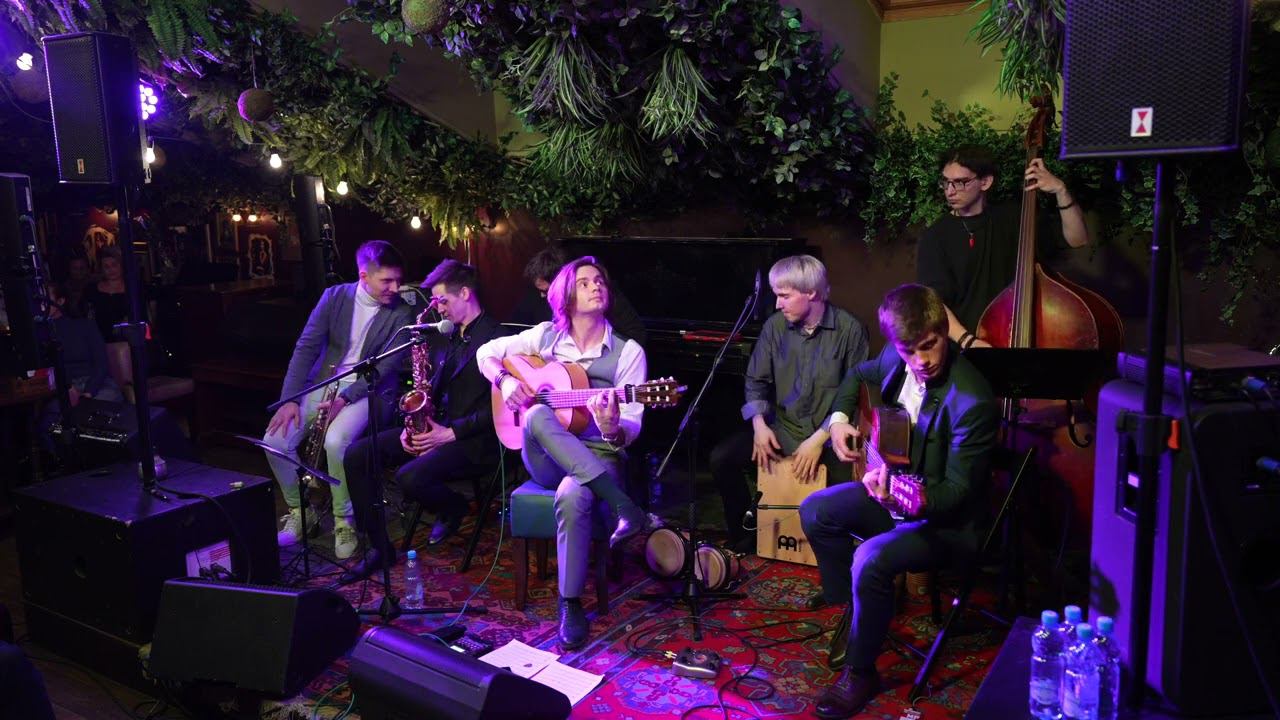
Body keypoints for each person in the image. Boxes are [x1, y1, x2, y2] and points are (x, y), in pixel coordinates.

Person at [798, 284, 997, 719]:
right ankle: (854, 611)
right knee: (815, 510)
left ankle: (860, 670)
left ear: (944, 331)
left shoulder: (973, 400)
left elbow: (957, 494)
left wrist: (902, 500)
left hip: (944, 523)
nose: (921, 360)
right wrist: (838, 422)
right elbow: (857, 375)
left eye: (930, 345)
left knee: (868, 559)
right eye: (910, 351)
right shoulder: (894, 357)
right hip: (895, 491)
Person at [476, 256, 648, 650]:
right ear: (564, 296)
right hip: (544, 457)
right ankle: (623, 505)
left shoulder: (629, 353)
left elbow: (632, 428)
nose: (596, 285)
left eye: (599, 280)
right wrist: (505, 382)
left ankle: (569, 603)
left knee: (573, 493)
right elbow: (485, 352)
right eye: (584, 282)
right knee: (537, 412)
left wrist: (611, 426)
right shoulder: (544, 337)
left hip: (599, 453)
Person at [339, 260, 508, 583]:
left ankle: (455, 506)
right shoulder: (444, 336)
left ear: (465, 293)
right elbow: (426, 389)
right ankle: (379, 547)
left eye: (442, 300)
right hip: (436, 428)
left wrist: (450, 434)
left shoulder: (498, 338)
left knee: (409, 477)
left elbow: (502, 409)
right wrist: (412, 425)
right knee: (357, 455)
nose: (438, 309)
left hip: (474, 440)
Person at [262, 240, 415, 560]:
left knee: (335, 441)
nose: (395, 288)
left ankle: (345, 521)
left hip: (369, 390)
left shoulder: (402, 311)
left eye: (398, 280)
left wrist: (344, 400)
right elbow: (305, 348)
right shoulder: (334, 298)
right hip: (325, 383)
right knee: (275, 440)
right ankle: (301, 511)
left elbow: (385, 368)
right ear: (363, 276)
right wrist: (290, 399)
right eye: (387, 281)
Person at [708, 255, 868, 554]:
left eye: (784, 296)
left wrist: (818, 441)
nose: (778, 304)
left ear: (812, 293)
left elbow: (851, 395)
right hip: (783, 429)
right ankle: (746, 539)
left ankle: (835, 554)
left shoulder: (850, 330)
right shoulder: (774, 327)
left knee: (850, 494)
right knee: (722, 458)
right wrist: (759, 426)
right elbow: (755, 380)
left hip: (829, 436)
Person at [917, 145, 1088, 350]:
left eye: (960, 182)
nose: (950, 191)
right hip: (965, 347)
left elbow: (1078, 239)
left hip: (1020, 335)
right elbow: (935, 302)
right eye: (946, 182)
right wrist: (969, 341)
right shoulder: (935, 236)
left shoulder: (1015, 218)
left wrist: (1061, 190)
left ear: (985, 182)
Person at [510, 244, 647, 345]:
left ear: (562, 282)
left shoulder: (603, 296)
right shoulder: (539, 316)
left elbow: (636, 334)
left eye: (546, 291)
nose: (542, 296)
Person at [85, 245, 130, 342]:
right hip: (98, 340)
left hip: (127, 340)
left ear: (121, 265)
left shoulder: (132, 289)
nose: (111, 270)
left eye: (114, 265)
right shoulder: (92, 289)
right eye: (106, 266)